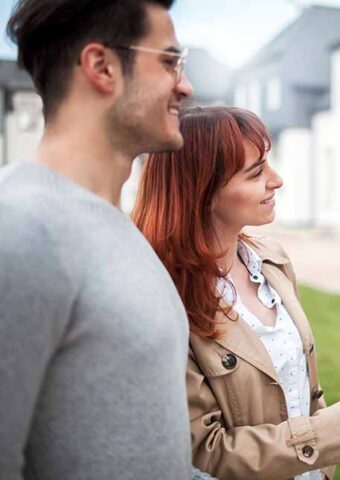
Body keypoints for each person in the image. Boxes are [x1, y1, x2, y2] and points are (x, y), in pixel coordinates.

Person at [132, 106, 340, 480]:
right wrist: (337, 428)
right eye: (257, 171)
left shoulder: (271, 260)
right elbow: (205, 452)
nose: (276, 180)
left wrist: (335, 440)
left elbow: (306, 392)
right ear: (204, 190)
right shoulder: (164, 298)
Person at [0, 1, 207, 479]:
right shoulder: (22, 229)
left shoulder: (120, 230)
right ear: (102, 67)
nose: (186, 85)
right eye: (170, 61)